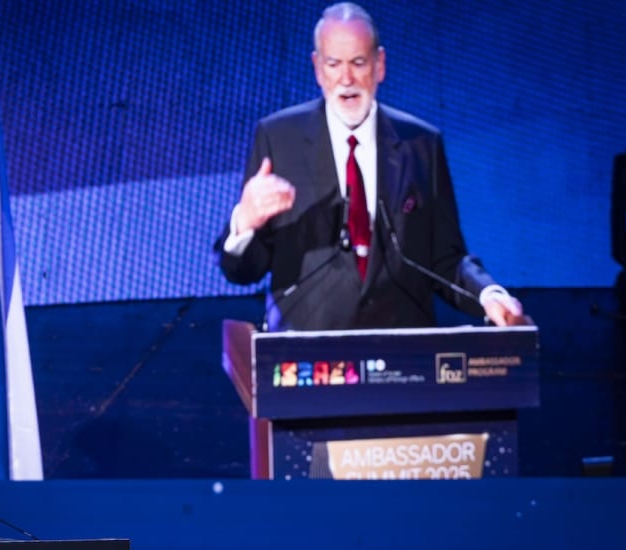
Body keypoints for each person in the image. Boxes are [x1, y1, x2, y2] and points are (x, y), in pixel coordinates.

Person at [215, 2, 525, 331]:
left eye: (358, 62)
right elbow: (243, 272)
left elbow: (445, 259)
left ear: (379, 65)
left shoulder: (421, 144)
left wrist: (488, 294)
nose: (346, 78)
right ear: (318, 68)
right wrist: (244, 224)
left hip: (402, 350)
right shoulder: (279, 138)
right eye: (334, 64)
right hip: (306, 351)